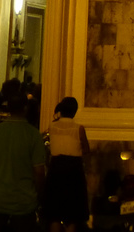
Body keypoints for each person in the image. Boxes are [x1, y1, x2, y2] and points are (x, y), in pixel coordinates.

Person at [0, 92, 46, 232]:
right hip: (24, 202)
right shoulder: (33, 134)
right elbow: (39, 172)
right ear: (26, 108)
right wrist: (39, 195)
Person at [42, 97, 89, 232]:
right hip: (74, 170)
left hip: (56, 168)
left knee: (54, 213)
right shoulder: (78, 128)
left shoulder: (52, 126)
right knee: (73, 213)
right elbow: (86, 149)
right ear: (74, 111)